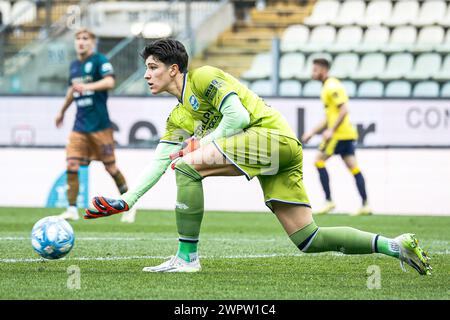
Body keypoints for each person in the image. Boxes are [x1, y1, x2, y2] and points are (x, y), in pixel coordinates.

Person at [84, 39, 431, 276]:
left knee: (188, 166)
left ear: (174, 69)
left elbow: (238, 119)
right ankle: (395, 246)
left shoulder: (203, 77)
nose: (146, 75)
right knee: (307, 239)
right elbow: (160, 160)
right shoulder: (177, 117)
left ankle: (187, 259)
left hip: (272, 139)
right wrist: (127, 200)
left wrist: (198, 146)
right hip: (277, 153)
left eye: (152, 67)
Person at [55, 27, 136, 223]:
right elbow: (71, 91)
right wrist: (62, 111)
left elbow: (109, 82)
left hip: (100, 127)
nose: (81, 42)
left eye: (85, 38)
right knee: (71, 163)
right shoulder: (74, 66)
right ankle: (72, 208)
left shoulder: (100, 61)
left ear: (92, 42)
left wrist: (88, 86)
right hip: (79, 127)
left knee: (111, 168)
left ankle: (129, 204)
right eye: (78, 39)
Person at [302, 58, 371, 216]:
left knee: (318, 161)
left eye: (315, 70)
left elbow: (344, 109)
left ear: (324, 70)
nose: (313, 73)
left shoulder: (331, 86)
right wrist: (312, 132)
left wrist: (331, 130)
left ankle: (328, 200)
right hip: (347, 134)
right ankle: (366, 204)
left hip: (338, 135)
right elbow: (329, 117)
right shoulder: (328, 86)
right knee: (354, 167)